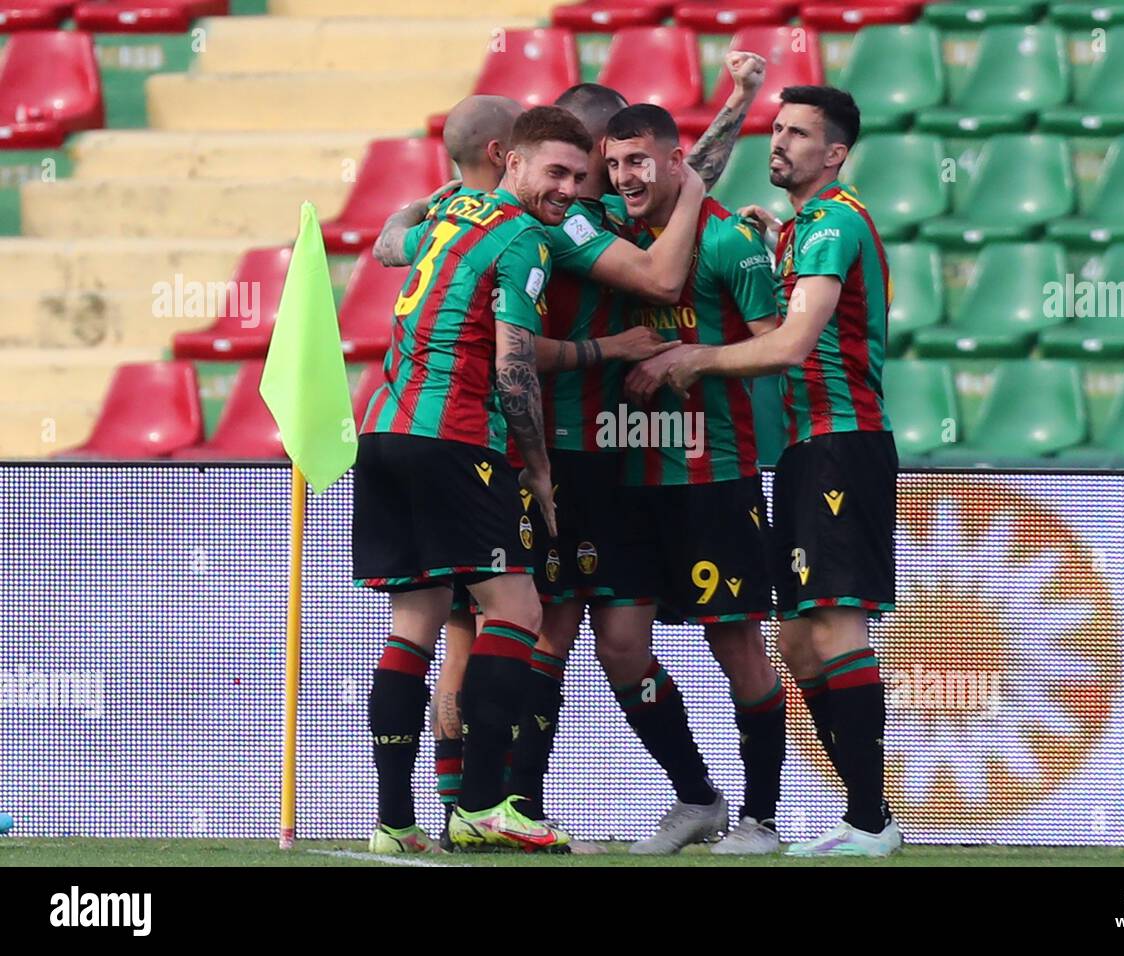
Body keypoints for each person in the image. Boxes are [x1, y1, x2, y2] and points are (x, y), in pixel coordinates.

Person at [634, 85, 904, 857]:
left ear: (836, 153)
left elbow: (790, 345)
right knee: (795, 644)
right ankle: (863, 813)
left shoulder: (834, 222)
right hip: (802, 450)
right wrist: (772, 234)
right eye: (777, 129)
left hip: (839, 443)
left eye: (798, 133)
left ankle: (870, 820)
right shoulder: (802, 229)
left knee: (835, 624)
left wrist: (698, 358)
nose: (778, 143)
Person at [353, 105, 594, 853]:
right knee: (516, 610)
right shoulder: (523, 239)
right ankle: (485, 802)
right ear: (511, 162)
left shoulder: (452, 211)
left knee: (413, 625)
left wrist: (418, 200)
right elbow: (515, 363)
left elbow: (392, 242)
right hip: (455, 441)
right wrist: (541, 469)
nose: (567, 189)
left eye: (578, 178)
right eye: (555, 171)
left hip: (384, 432)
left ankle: (394, 823)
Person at [605, 103, 788, 855]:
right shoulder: (607, 239)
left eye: (638, 161)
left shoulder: (729, 240)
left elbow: (779, 344)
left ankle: (762, 818)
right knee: (619, 644)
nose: (625, 178)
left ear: (678, 161)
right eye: (614, 165)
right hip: (625, 475)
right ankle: (696, 797)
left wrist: (693, 359)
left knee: (734, 644)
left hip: (713, 475)